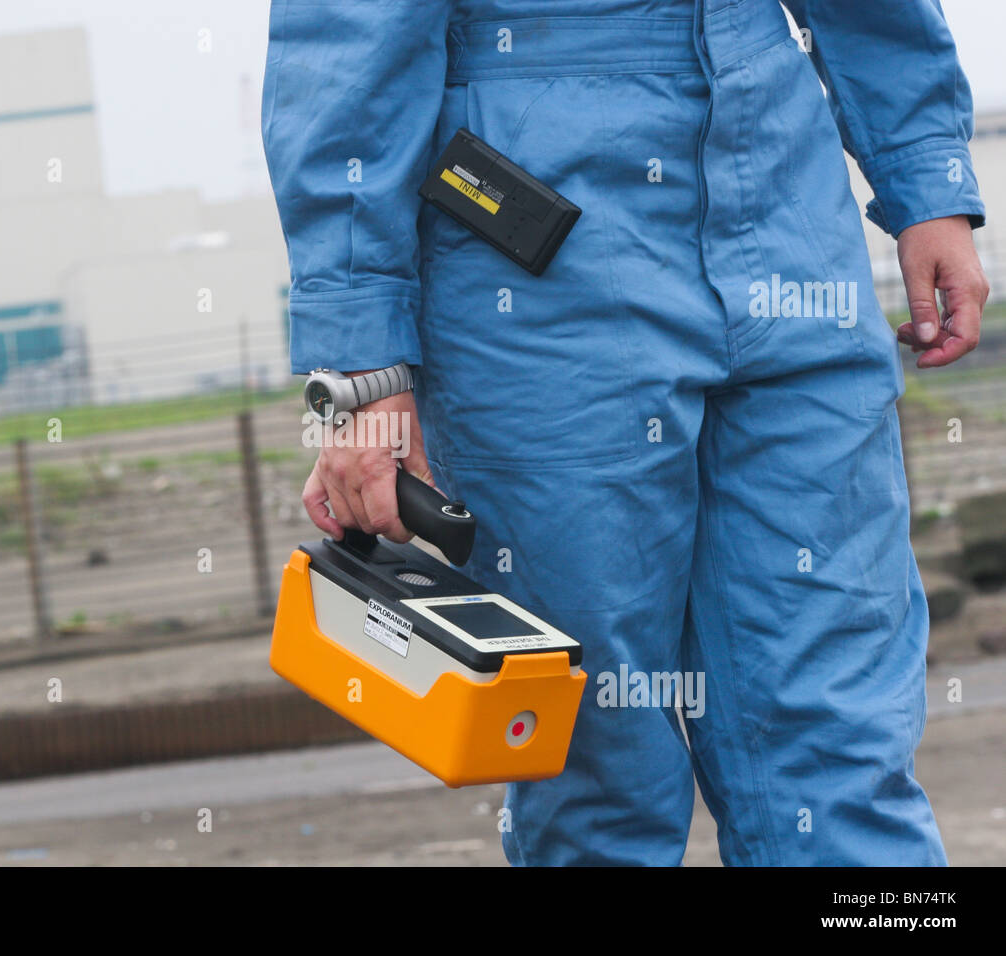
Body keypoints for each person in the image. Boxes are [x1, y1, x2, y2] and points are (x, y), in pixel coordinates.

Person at [261, 0, 989, 865]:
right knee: (594, 755)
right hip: (536, 253)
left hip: (787, 211)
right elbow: (347, 29)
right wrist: (360, 360)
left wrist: (925, 179)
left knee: (843, 733)